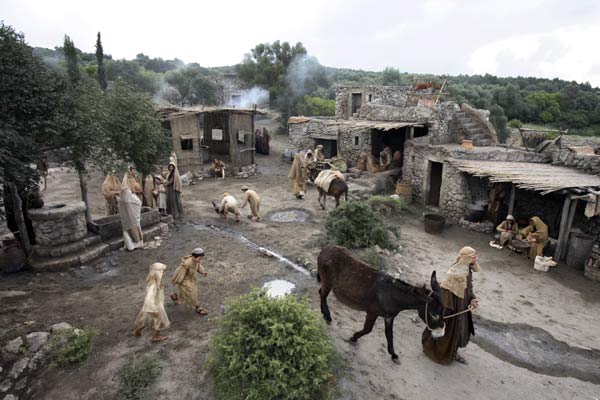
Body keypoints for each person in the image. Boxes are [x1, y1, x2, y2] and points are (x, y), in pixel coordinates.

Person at [422, 246, 480, 365]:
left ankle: (453, 352)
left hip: (462, 305)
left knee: (459, 331)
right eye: (473, 257)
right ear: (466, 259)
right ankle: (437, 353)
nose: (475, 259)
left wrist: (473, 299)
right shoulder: (454, 274)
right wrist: (447, 311)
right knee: (447, 332)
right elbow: (445, 291)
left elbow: (468, 288)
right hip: (452, 308)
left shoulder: (467, 270)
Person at [133, 262, 170, 343]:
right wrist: (153, 310)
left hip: (152, 305)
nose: (163, 274)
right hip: (155, 306)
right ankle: (155, 336)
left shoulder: (152, 282)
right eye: (162, 272)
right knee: (158, 321)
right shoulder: (154, 286)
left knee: (144, 319)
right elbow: (149, 299)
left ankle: (137, 330)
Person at [171, 248, 209, 315]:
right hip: (184, 281)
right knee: (192, 293)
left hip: (191, 279)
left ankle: (175, 295)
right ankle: (198, 307)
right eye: (199, 258)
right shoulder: (186, 264)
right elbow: (179, 273)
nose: (200, 260)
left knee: (184, 293)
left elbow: (198, 266)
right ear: (194, 257)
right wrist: (178, 282)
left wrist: (202, 272)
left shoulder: (196, 261)